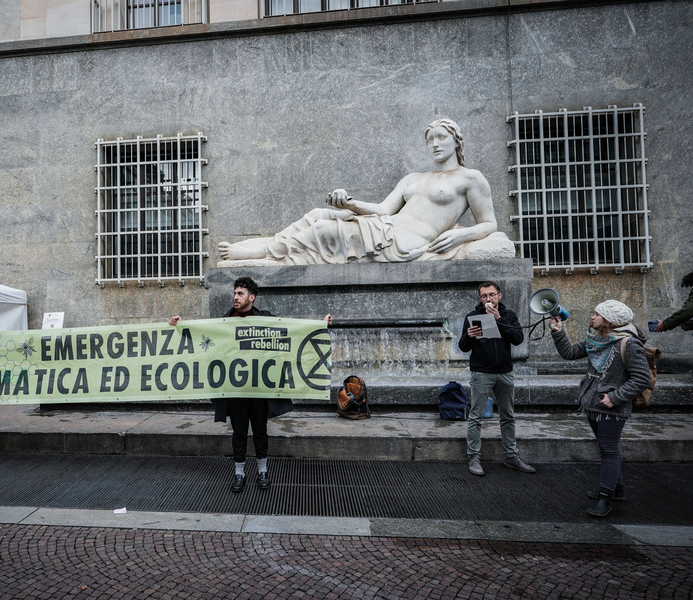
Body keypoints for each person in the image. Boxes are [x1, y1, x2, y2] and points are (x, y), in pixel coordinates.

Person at [217, 119, 512, 265]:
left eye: (442, 138)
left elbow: (490, 224)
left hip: (407, 241)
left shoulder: (470, 178)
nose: (435, 144)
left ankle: (264, 254)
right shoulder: (414, 178)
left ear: (455, 141)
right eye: (430, 139)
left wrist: (462, 234)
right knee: (320, 214)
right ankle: (270, 247)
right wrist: (350, 202)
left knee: (325, 230)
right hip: (386, 225)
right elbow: (384, 209)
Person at [169, 276, 331, 493]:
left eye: (240, 294)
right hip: (235, 390)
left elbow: (292, 332)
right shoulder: (224, 321)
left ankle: (262, 471)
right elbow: (202, 337)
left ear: (251, 298)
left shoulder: (266, 320)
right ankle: (239, 473)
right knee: (239, 432)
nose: (235, 297)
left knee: (260, 431)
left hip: (259, 390)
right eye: (235, 293)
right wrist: (180, 326)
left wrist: (320, 325)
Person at [549, 300, 651, 517]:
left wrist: (615, 397)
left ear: (610, 320)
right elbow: (568, 353)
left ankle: (605, 499)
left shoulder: (629, 344)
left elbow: (642, 378)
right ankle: (617, 489)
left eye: (597, 314)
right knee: (607, 449)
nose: (592, 316)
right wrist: (558, 331)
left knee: (608, 450)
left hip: (611, 407)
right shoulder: (597, 339)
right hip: (593, 404)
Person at [458, 281, 535, 477]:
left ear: (499, 296)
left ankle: (511, 456)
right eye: (484, 296)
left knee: (507, 415)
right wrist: (469, 335)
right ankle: (474, 457)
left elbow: (518, 339)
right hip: (481, 372)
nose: (488, 299)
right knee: (475, 416)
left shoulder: (509, 315)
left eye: (492, 295)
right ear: (480, 299)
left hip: (504, 372)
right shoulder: (472, 316)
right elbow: (463, 347)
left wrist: (499, 319)